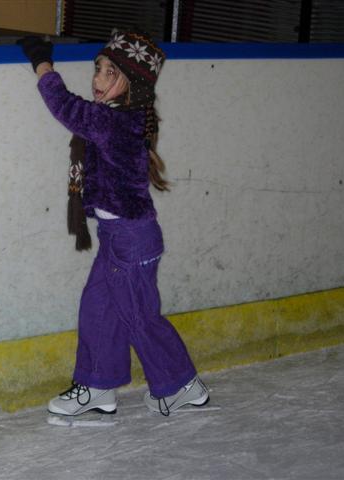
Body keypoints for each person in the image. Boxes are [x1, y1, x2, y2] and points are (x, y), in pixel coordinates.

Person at [19, 31, 209, 417]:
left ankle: (182, 385)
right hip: (118, 237)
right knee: (98, 309)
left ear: (133, 85)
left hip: (131, 240)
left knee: (138, 317)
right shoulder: (119, 118)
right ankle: (97, 386)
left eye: (110, 73)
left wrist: (42, 64)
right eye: (98, 69)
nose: (97, 79)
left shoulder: (115, 122)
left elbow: (66, 106)